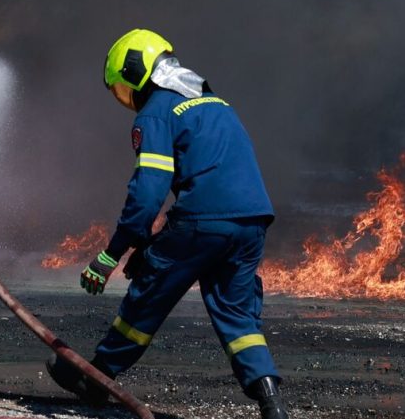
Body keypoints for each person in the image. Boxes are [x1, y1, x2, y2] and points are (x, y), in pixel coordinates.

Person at [46, 29, 290, 419]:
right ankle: (270, 401)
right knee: (239, 317)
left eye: (122, 85)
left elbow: (147, 194)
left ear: (134, 72)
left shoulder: (157, 112)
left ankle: (95, 380)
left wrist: (112, 255)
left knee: (149, 294)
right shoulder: (216, 103)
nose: (124, 95)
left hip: (202, 221)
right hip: (251, 222)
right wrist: (149, 246)